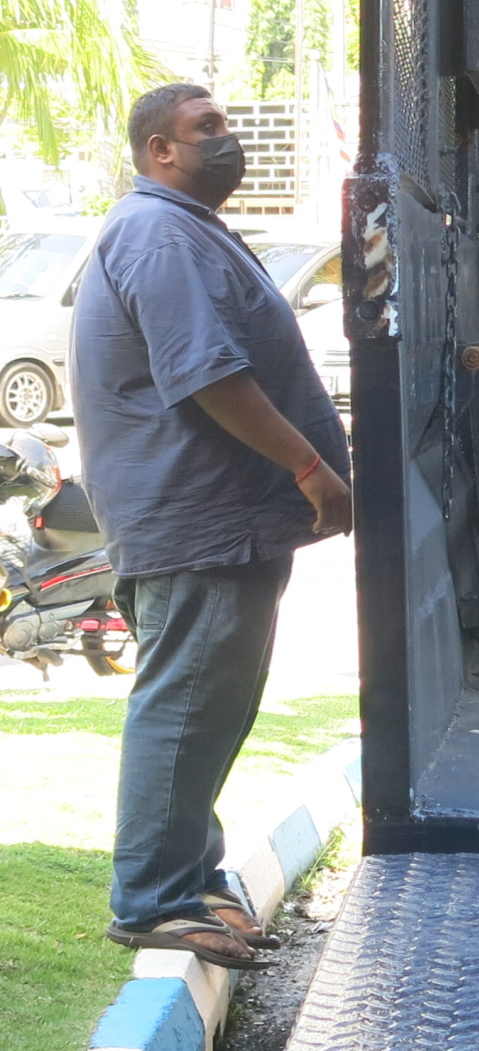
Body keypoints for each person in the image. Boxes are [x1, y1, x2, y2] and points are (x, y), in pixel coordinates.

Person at [70, 83, 352, 970]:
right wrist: (309, 466)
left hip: (222, 515)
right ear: (160, 149)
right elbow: (207, 374)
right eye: (208, 130)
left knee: (213, 704)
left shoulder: (186, 228)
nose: (227, 142)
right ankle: (152, 898)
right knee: (187, 702)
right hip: (197, 514)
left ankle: (189, 876)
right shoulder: (156, 233)